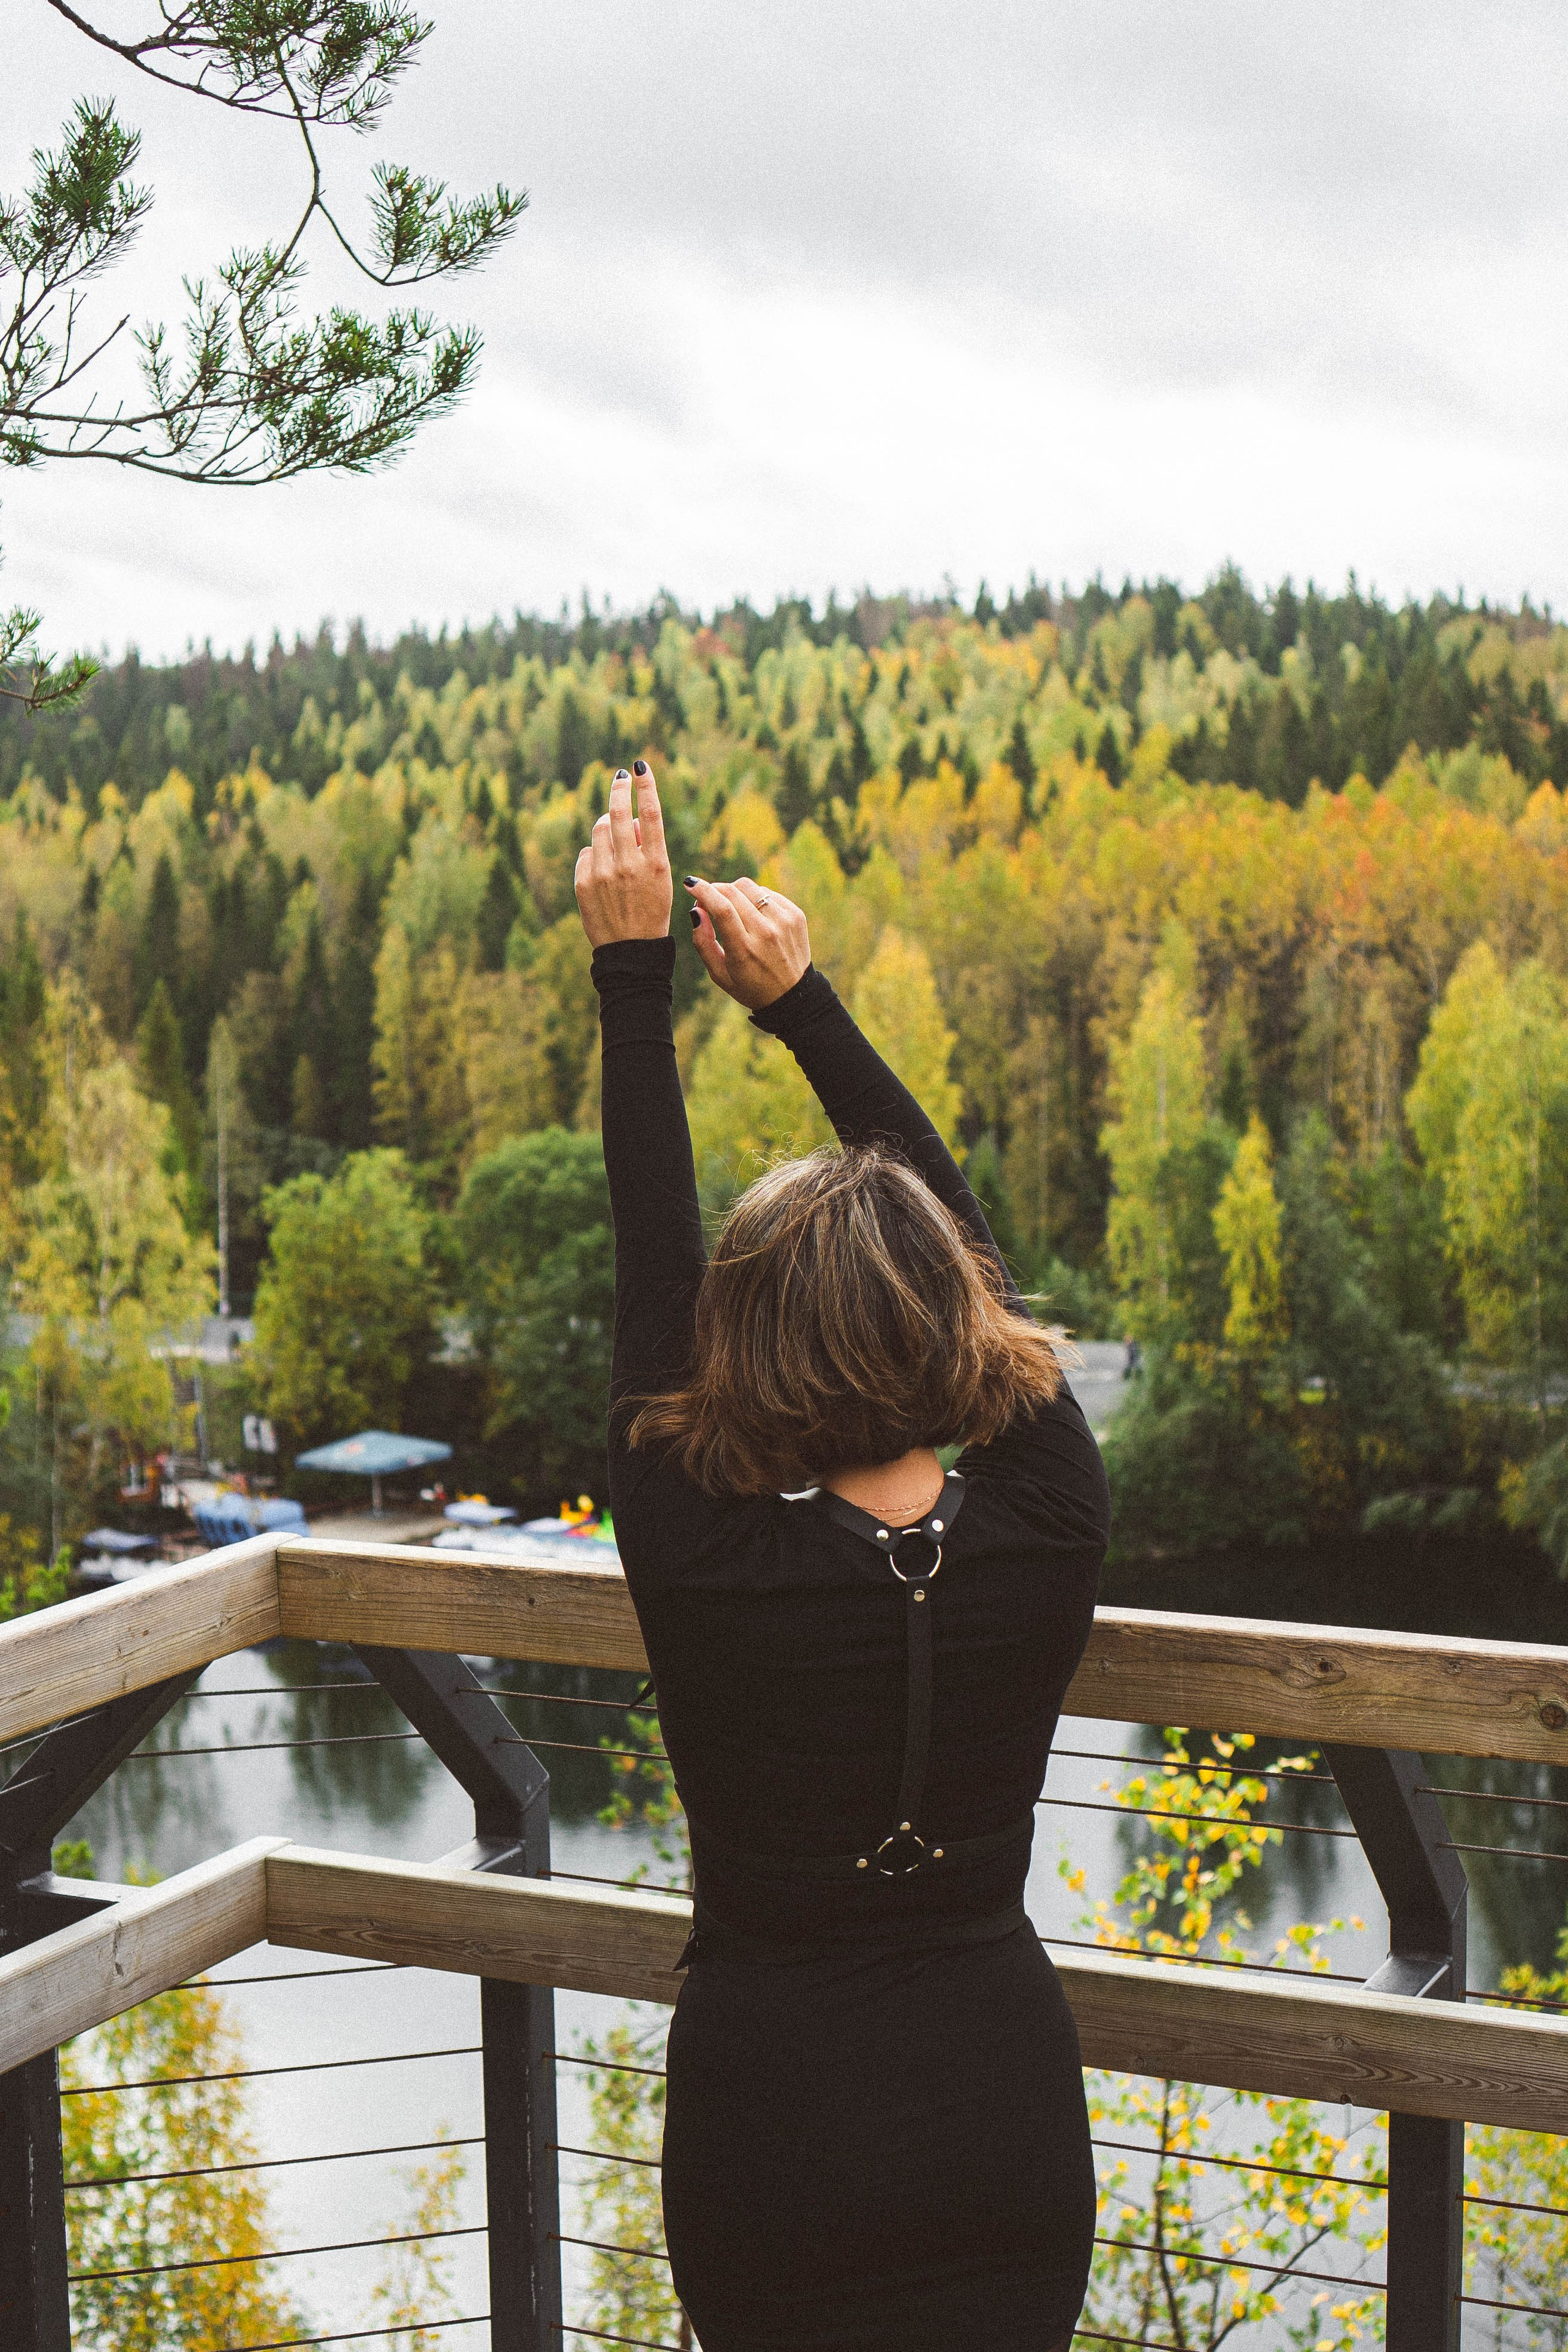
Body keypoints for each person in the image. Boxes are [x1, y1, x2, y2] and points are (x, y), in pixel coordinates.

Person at [575, 762, 1111, 2352]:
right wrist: (804, 1009)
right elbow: (977, 1274)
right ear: (954, 1310)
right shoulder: (1050, 1521)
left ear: (740, 1342)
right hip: (1005, 2111)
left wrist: (631, 981)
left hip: (775, 2123)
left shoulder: (709, 1564)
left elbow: (650, 1273)